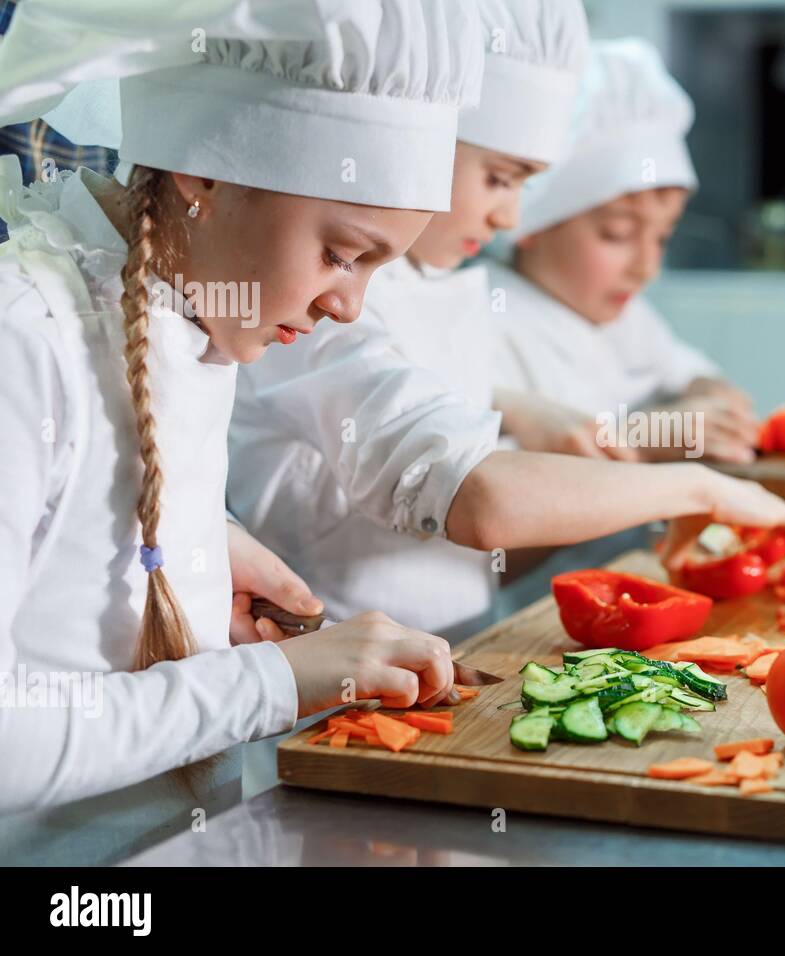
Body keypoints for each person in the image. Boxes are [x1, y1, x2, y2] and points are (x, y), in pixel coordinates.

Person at [0, 0, 487, 864]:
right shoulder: (23, 340)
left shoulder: (190, 312)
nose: (348, 308)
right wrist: (277, 682)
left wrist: (193, 551)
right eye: (342, 254)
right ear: (206, 179)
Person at [227, 7, 785, 637]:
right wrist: (695, 485)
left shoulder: (436, 283)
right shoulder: (313, 300)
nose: (511, 219)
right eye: (501, 178)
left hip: (443, 657)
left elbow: (418, 403)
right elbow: (479, 498)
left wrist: (512, 407)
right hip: (323, 697)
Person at [491, 39, 760, 465]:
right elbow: (490, 476)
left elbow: (685, 368)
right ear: (529, 223)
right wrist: (645, 435)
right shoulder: (489, 319)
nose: (646, 268)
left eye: (661, 237)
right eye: (617, 234)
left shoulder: (623, 316)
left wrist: (710, 393)